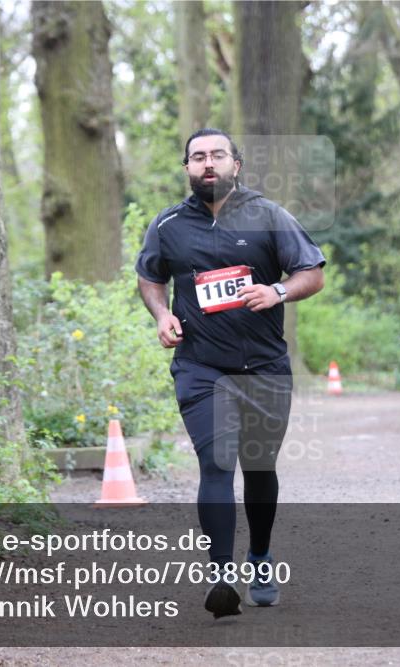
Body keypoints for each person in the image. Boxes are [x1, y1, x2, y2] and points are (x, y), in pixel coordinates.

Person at [134, 128, 325, 618]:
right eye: (198, 157)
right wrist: (161, 315)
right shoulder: (169, 224)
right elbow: (150, 276)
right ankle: (222, 574)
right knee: (216, 463)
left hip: (264, 367)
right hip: (201, 367)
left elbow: (312, 272)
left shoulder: (268, 215)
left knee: (259, 469)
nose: (208, 163)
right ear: (187, 169)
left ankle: (259, 556)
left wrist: (278, 293)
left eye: (217, 154)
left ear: (235, 164)